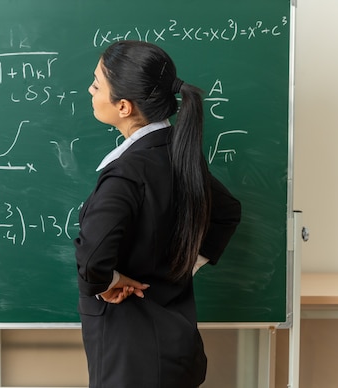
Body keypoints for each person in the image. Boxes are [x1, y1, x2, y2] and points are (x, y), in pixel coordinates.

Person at [75, 40, 242, 388]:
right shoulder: (179, 154)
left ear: (123, 106)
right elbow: (227, 212)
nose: (90, 91)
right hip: (176, 346)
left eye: (96, 85)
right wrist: (185, 264)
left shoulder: (126, 173)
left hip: (129, 357)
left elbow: (92, 262)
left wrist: (107, 284)